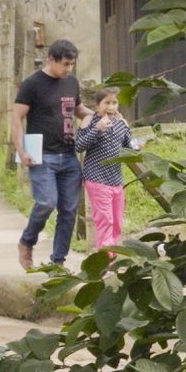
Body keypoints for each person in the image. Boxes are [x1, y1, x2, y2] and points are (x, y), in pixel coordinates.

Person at [9, 38, 83, 270]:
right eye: (65, 64)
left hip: (69, 156)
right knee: (47, 202)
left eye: (72, 64)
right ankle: (27, 241)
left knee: (69, 210)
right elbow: (17, 117)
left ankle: (58, 262)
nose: (68, 69)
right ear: (51, 59)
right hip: (43, 156)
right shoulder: (33, 84)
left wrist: (103, 115)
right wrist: (21, 151)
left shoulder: (72, 82)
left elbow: (78, 110)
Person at [72, 86, 136, 251]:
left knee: (117, 224)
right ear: (97, 105)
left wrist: (137, 147)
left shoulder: (121, 123)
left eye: (114, 103)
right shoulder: (90, 120)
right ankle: (104, 264)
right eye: (106, 103)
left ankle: (111, 261)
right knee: (105, 221)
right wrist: (97, 128)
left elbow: (129, 147)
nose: (111, 107)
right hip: (96, 179)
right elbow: (79, 146)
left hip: (116, 181)